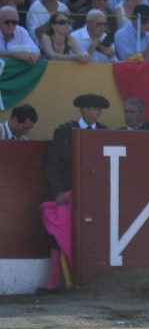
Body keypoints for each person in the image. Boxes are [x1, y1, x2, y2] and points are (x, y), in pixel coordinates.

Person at [40, 93, 109, 295]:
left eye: (95, 109)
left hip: (93, 195)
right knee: (58, 235)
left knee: (95, 236)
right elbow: (51, 164)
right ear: (81, 110)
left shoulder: (104, 133)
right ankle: (53, 283)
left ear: (100, 112)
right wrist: (57, 191)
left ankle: (92, 281)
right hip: (67, 193)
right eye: (88, 108)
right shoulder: (64, 132)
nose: (92, 112)